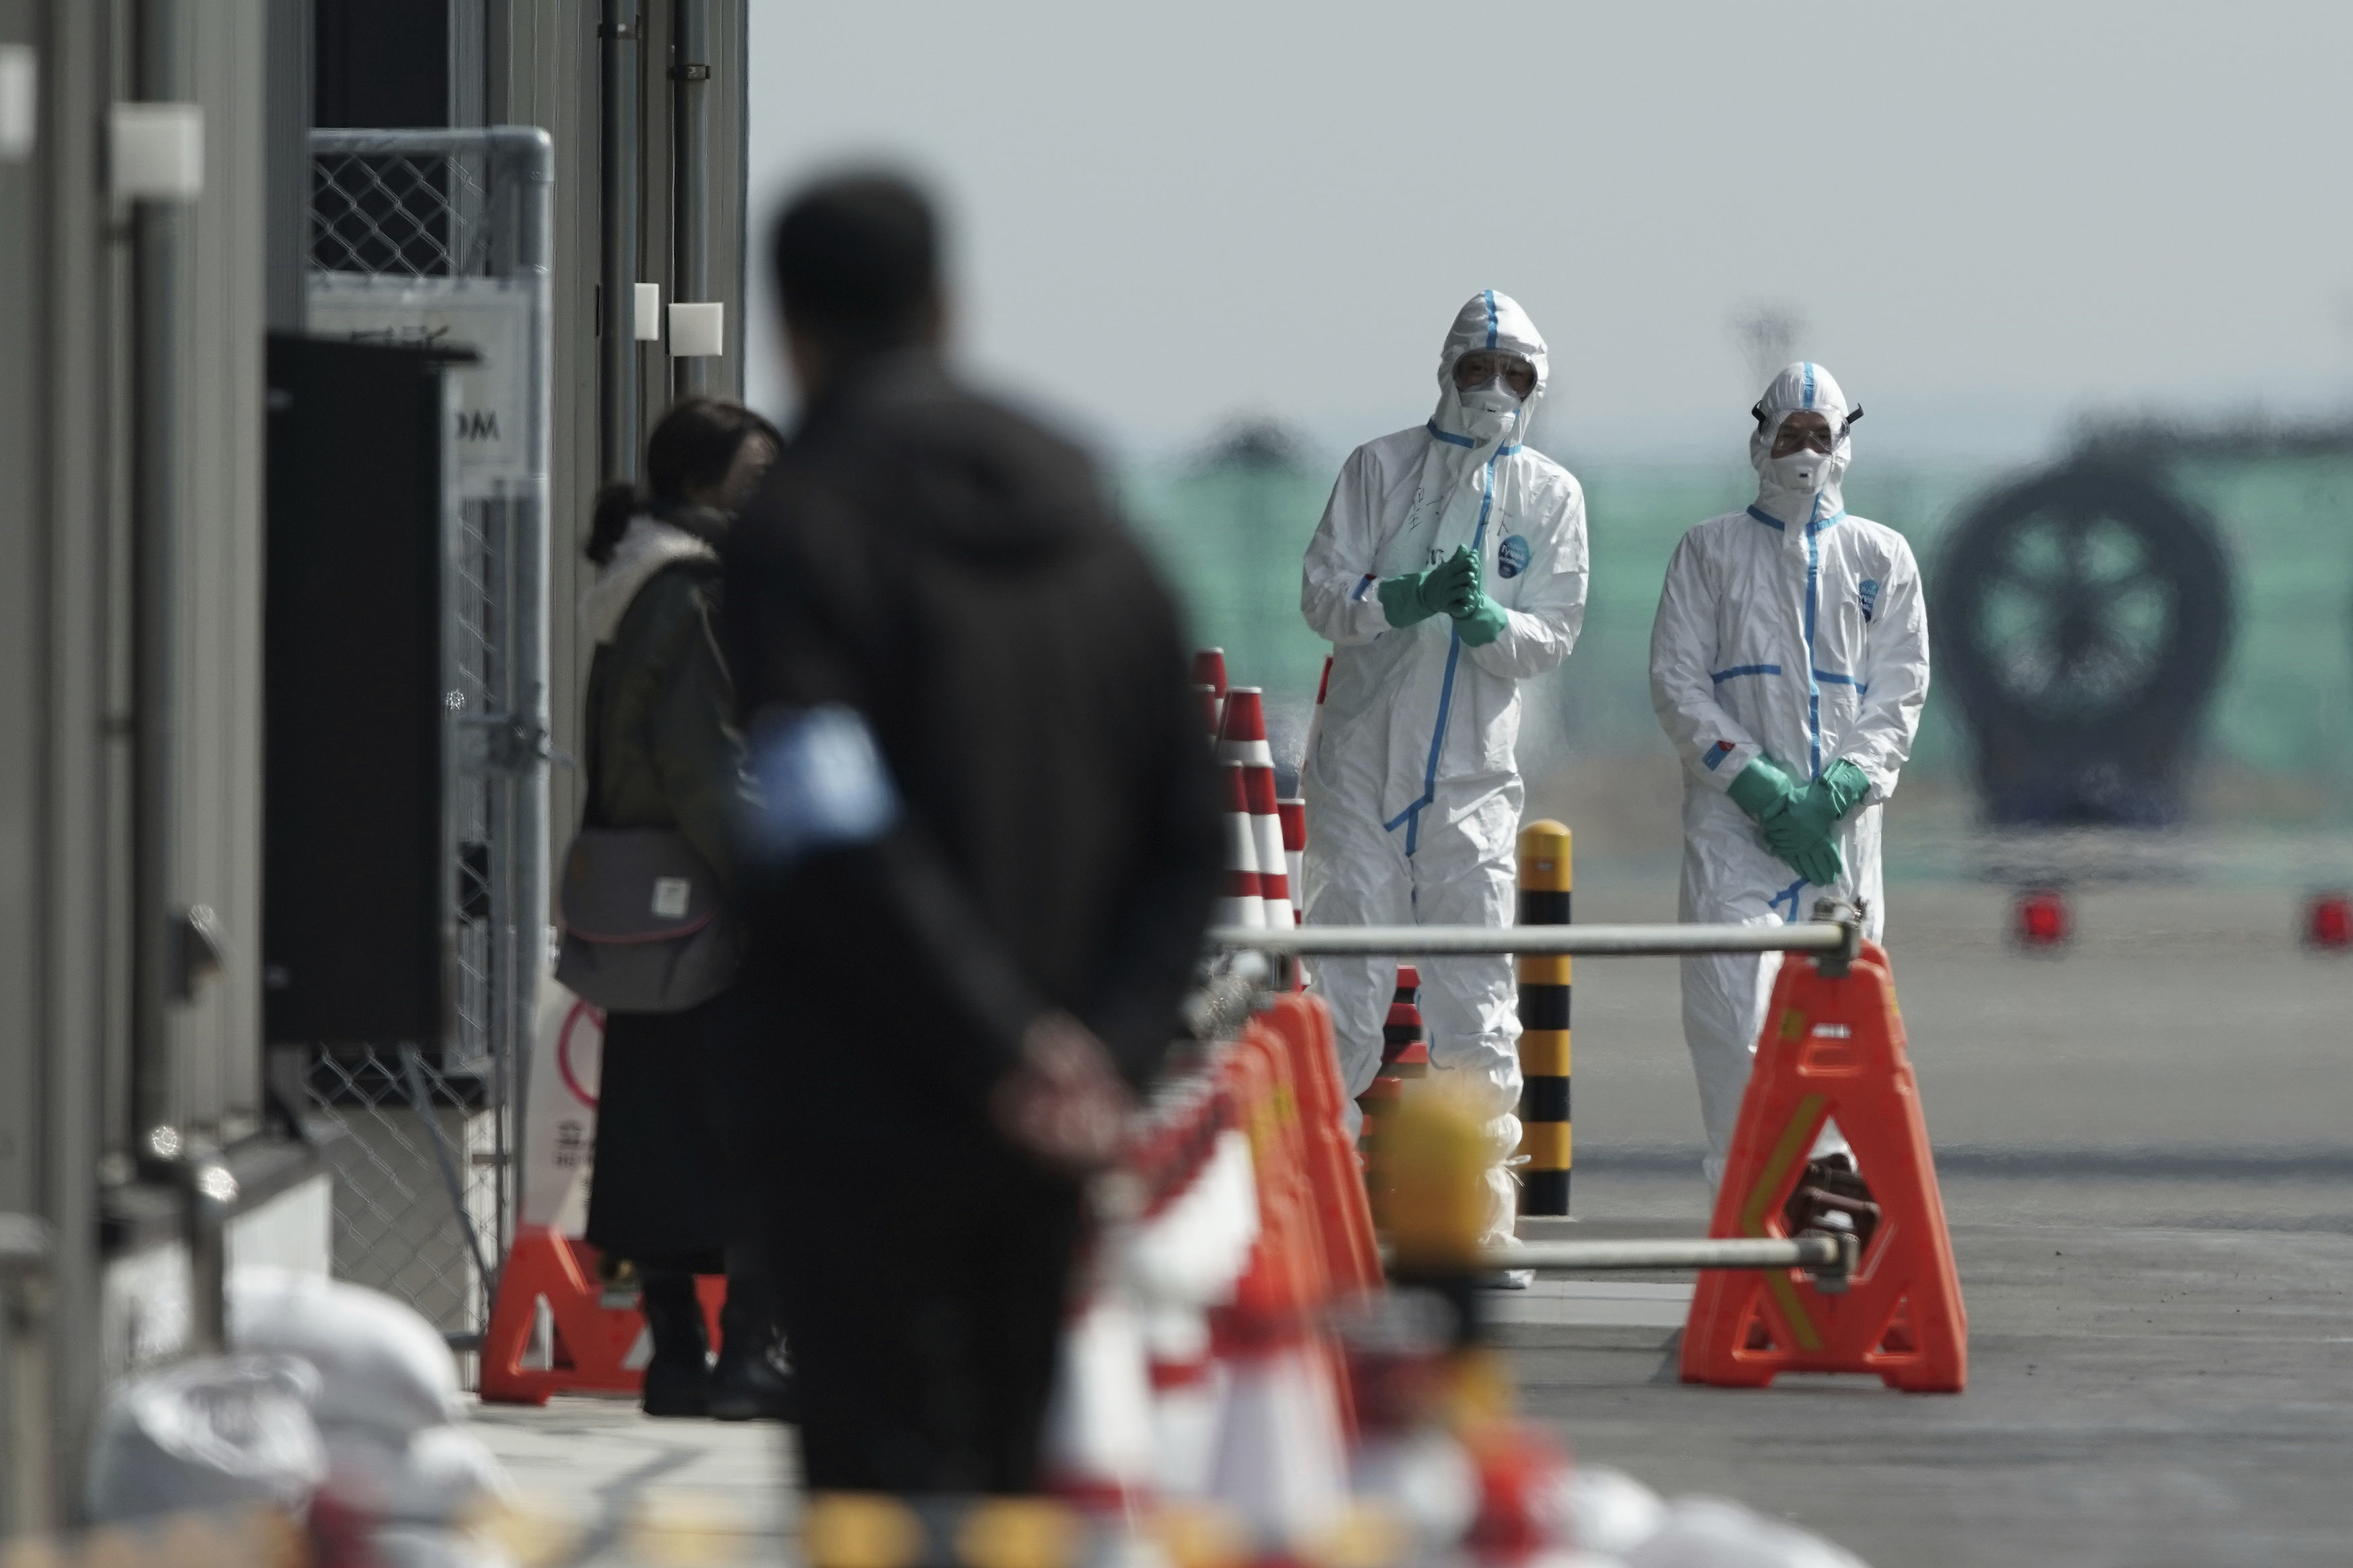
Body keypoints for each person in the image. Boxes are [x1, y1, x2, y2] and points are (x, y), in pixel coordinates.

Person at [720, 173, 1220, 1495]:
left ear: (790, 324)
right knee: (1016, 1474)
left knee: (878, 1494)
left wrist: (997, 1040)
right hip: (1054, 1129)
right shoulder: (1101, 531)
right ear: (950, 306)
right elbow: (1192, 831)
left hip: (861, 1104)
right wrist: (1095, 1053)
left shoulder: (801, 525)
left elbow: (830, 822)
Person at [1298, 291, 1589, 1255]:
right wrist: (1404, 597)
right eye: (1480, 368)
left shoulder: (1551, 497)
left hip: (1472, 778)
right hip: (1360, 769)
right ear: (1447, 369)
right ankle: (1321, 1212)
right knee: (1347, 988)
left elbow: (1554, 634)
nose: (1495, 389)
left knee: (1479, 997)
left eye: (1516, 375)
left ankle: (1478, 1218)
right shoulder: (1378, 470)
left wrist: (1489, 625)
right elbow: (1323, 594)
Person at [1647, 362, 1930, 1200]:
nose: (1804, 450)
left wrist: (1841, 784)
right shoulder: (1708, 550)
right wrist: (1754, 782)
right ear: (1759, 438)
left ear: (1844, 441)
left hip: (1839, 835)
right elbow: (1676, 681)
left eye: (1820, 433)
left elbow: (1901, 685)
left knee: (1840, 1029)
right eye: (1789, 432)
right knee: (1734, 1011)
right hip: (1735, 829)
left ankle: (1827, 1213)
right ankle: (1750, 1210)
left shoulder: (1880, 555)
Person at [576, 396, 796, 1421]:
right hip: (714, 896)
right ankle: (746, 1356)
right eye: (756, 485)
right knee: (757, 1125)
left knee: (651, 1133)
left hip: (637, 899)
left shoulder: (632, 576)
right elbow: (708, 761)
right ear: (705, 487)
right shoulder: (697, 586)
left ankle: (675, 1356)